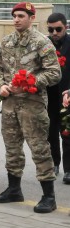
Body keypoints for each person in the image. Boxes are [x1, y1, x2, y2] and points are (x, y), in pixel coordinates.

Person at [0, 2, 61, 213]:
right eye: (14, 16)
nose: (16, 19)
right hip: (10, 105)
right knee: (12, 149)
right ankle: (14, 189)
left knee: (39, 150)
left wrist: (31, 82)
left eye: (21, 16)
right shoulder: (6, 41)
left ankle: (49, 196)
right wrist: (1, 85)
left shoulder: (42, 42)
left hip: (33, 106)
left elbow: (54, 73)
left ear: (31, 18)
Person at [46, 13, 70, 183]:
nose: (54, 32)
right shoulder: (44, 44)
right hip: (48, 96)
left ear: (65, 27)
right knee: (50, 134)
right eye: (50, 29)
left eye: (58, 29)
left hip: (67, 96)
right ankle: (54, 163)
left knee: (67, 134)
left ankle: (68, 169)